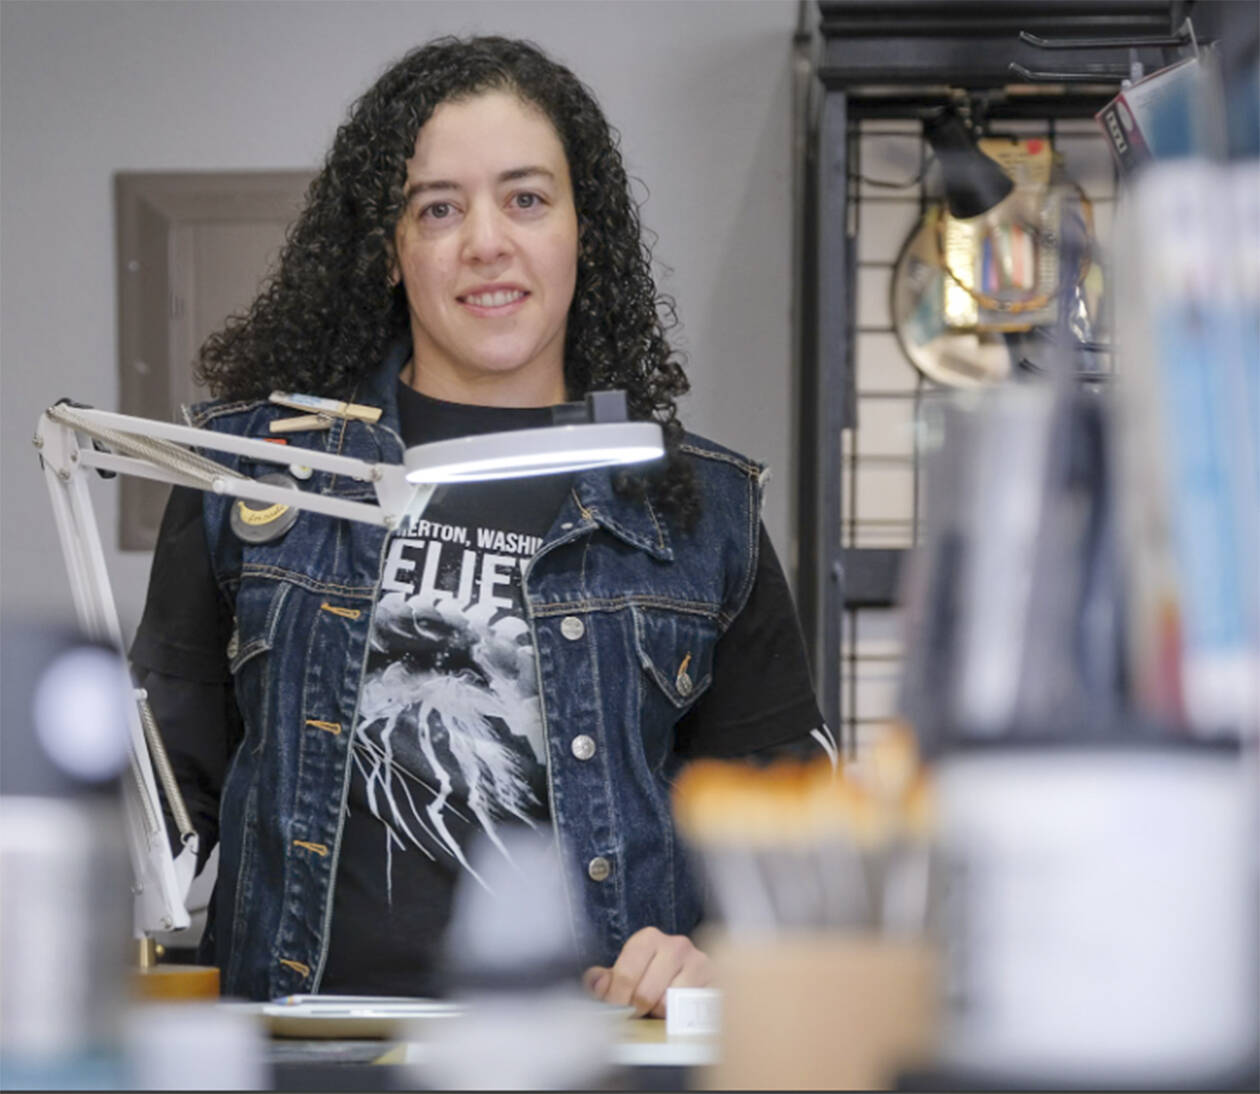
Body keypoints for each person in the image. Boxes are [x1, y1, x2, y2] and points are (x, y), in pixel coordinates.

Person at [130, 35, 831, 1016]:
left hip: (589, 1056)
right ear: (388, 246)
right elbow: (160, 806)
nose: (486, 241)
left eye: (527, 198)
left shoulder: (699, 507)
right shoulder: (252, 477)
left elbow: (796, 859)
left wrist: (719, 961)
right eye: (439, 208)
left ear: (584, 230)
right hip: (310, 1065)